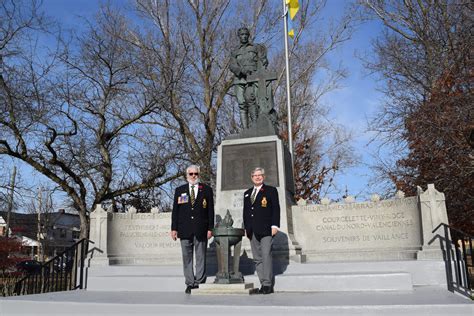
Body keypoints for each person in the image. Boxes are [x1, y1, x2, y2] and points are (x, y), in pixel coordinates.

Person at [171, 165, 214, 294]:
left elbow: (211, 211)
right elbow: (176, 211)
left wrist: (210, 228)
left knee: (201, 256)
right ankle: (190, 282)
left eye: (196, 173)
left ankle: (200, 281)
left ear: (199, 175)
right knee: (187, 257)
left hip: (201, 228)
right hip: (184, 229)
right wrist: (174, 228)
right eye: (191, 174)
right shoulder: (180, 190)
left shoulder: (206, 190)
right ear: (186, 175)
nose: (193, 176)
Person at [242, 167, 280, 294]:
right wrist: (246, 228)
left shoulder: (270, 190)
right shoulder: (247, 193)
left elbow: (276, 209)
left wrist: (275, 226)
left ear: (263, 177)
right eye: (255, 175)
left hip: (266, 229)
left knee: (266, 255)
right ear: (251, 178)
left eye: (260, 175)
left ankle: (268, 284)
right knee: (257, 258)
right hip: (252, 230)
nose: (257, 177)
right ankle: (262, 283)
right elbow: (246, 212)